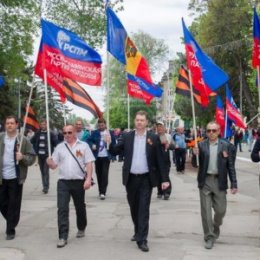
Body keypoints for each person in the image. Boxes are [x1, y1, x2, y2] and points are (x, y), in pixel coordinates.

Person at [110, 111, 169, 252]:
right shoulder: (127, 136)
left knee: (143, 209)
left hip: (146, 179)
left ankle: (142, 239)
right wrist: (109, 142)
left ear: (146, 122)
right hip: (131, 179)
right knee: (134, 207)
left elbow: (160, 160)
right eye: (137, 120)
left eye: (142, 120)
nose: (139, 122)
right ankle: (137, 230)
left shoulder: (153, 138)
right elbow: (115, 151)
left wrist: (165, 180)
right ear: (134, 122)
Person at [46, 124, 95, 248]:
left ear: (74, 133)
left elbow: (89, 163)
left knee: (80, 207)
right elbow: (54, 166)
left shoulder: (83, 146)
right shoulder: (59, 147)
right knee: (62, 208)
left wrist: (88, 179)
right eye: (64, 133)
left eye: (69, 132)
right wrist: (49, 162)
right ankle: (63, 236)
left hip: (78, 182)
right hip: (63, 182)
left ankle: (81, 227)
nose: (66, 135)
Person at [194, 121, 237, 250]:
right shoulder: (201, 145)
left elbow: (231, 166)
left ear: (218, 131)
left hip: (220, 181)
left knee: (220, 211)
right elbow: (196, 164)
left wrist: (234, 183)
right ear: (205, 132)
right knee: (206, 212)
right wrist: (194, 154)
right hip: (205, 181)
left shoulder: (226, 146)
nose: (211, 133)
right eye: (208, 131)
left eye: (214, 130)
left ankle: (215, 225)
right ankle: (209, 237)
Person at [0, 115, 36, 240]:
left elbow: (32, 158)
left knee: (13, 204)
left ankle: (10, 230)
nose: (9, 125)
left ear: (16, 125)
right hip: (1, 178)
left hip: (16, 177)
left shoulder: (23, 140)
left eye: (11, 123)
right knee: (2, 203)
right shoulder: (1, 138)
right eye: (7, 123)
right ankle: (12, 219)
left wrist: (22, 158)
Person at [88, 118, 116, 200]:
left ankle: (103, 192)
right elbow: (88, 140)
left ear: (105, 124)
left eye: (102, 125)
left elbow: (114, 144)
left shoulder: (109, 133)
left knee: (104, 174)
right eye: (99, 125)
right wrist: (92, 145)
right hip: (97, 156)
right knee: (99, 174)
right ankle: (100, 191)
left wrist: (109, 142)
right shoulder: (95, 133)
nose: (101, 126)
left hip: (106, 156)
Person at [31, 119, 57, 194]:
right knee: (42, 171)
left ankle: (46, 187)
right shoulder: (38, 133)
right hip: (40, 155)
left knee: (46, 171)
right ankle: (44, 185)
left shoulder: (51, 133)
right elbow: (32, 140)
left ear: (47, 125)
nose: (43, 126)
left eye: (44, 124)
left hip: (47, 156)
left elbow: (55, 143)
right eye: (42, 124)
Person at [155, 121, 173, 200]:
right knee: (158, 176)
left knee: (165, 176)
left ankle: (167, 192)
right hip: (156, 160)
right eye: (158, 126)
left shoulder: (167, 136)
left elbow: (173, 146)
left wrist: (169, 145)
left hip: (165, 160)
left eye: (161, 126)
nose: (159, 128)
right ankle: (160, 191)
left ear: (164, 127)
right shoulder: (154, 136)